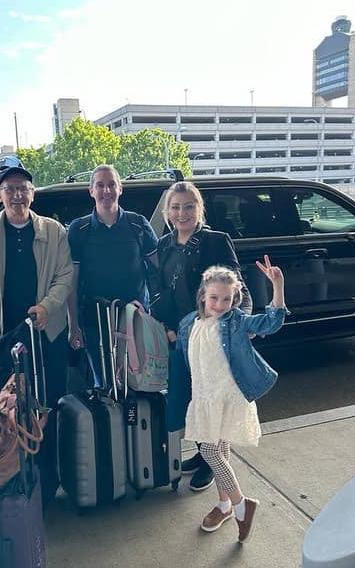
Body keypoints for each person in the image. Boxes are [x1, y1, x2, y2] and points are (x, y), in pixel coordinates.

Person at [0, 161, 74, 508]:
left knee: (47, 408)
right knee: (7, 413)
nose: (17, 194)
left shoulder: (53, 230)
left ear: (32, 192)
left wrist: (48, 306)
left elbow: (65, 276)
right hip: (3, 337)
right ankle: (14, 478)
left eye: (23, 188)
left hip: (45, 334)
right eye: (9, 189)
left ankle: (50, 484)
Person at [171, 261, 286, 543]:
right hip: (204, 396)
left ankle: (241, 504)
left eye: (226, 299)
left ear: (234, 300)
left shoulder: (235, 322)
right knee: (220, 448)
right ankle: (224, 505)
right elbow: (187, 356)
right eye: (214, 298)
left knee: (210, 452)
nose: (220, 304)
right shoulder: (188, 323)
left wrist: (277, 287)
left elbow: (271, 322)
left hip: (228, 395)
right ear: (203, 296)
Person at [152, 181, 252, 493]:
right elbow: (159, 293)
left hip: (211, 338)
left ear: (199, 209)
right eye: (176, 207)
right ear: (168, 211)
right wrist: (167, 326)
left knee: (210, 399)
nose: (182, 213)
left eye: (188, 206)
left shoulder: (214, 241)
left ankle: (212, 462)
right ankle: (201, 451)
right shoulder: (164, 246)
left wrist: (239, 326)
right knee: (192, 399)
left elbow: (236, 288)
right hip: (182, 338)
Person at [66, 164, 160, 387]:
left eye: (111, 185)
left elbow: (158, 273)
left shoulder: (138, 224)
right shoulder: (78, 229)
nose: (106, 190)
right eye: (100, 185)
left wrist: (158, 317)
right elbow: (72, 281)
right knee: (104, 384)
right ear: (91, 190)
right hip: (94, 319)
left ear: (120, 189)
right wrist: (73, 324)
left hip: (135, 318)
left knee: (139, 380)